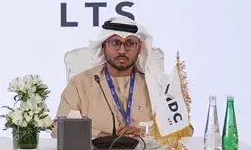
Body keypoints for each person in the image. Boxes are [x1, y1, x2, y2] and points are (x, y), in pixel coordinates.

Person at [53, 16, 193, 138]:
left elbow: (184, 129)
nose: (122, 50)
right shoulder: (80, 84)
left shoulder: (156, 84)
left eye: (130, 44)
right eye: (115, 43)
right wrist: (101, 136)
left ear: (139, 48)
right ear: (103, 46)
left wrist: (144, 133)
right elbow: (58, 128)